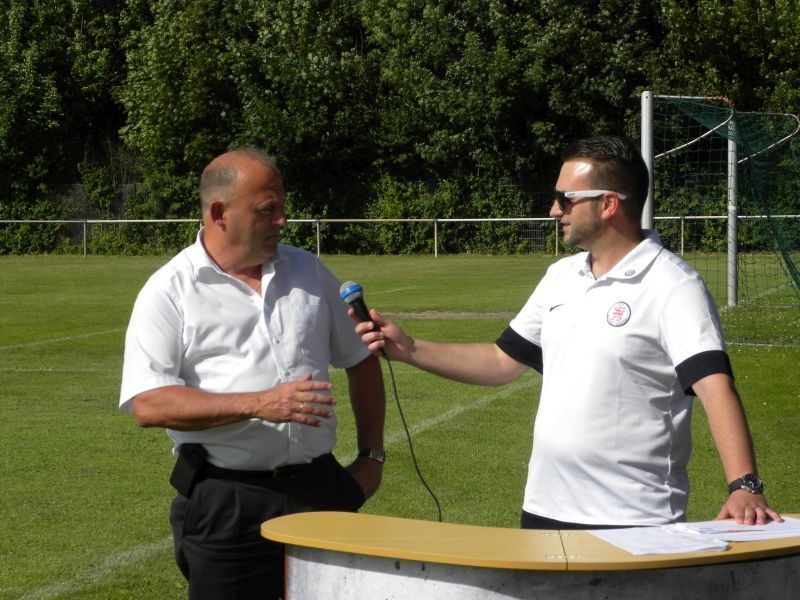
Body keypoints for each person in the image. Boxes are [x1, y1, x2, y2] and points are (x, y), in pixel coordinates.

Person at [354, 135, 781, 530]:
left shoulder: (673, 285)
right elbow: (502, 361)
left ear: (608, 204)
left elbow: (714, 387)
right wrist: (409, 349)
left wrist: (744, 485)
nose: (554, 209)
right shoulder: (561, 276)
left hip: (633, 518)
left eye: (566, 198)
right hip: (544, 510)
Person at [119, 148, 386, 599]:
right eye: (267, 209)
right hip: (228, 503)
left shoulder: (308, 270)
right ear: (219, 214)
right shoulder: (170, 290)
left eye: (282, 205)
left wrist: (371, 458)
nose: (283, 219)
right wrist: (260, 403)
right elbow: (150, 404)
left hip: (321, 490)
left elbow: (361, 357)